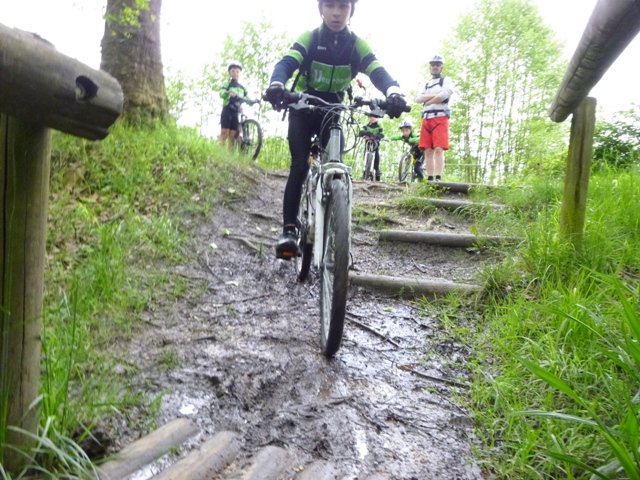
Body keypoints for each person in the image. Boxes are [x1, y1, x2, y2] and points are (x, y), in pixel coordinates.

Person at [263, 0, 408, 259]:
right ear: (321, 9)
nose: (337, 12)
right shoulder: (311, 37)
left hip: (332, 111)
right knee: (299, 165)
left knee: (336, 165)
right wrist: (277, 83)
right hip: (303, 107)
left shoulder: (356, 44)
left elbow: (376, 69)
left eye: (343, 6)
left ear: (352, 10)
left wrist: (393, 91)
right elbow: (287, 62)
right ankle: (288, 230)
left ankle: (336, 235)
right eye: (330, 5)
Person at [415, 54, 454, 181]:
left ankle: (438, 177)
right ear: (430, 67)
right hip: (427, 119)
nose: (435, 67)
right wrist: (435, 96)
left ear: (441, 67)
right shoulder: (426, 84)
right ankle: (430, 178)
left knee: (438, 148)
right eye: (432, 65)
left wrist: (428, 100)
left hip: (440, 118)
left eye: (437, 65)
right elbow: (418, 98)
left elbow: (445, 94)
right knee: (428, 150)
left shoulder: (446, 80)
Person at [219, 61, 259, 149]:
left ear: (239, 73)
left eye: (237, 71)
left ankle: (229, 157)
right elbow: (221, 93)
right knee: (224, 132)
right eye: (233, 71)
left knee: (232, 135)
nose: (235, 73)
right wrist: (228, 92)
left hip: (236, 112)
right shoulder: (227, 84)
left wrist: (255, 101)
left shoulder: (242, 88)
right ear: (229, 73)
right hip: (227, 109)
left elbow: (247, 99)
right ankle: (219, 152)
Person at [358, 112, 385, 181]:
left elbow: (382, 135)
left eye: (374, 117)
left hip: (375, 146)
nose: (372, 118)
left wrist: (376, 137)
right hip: (367, 145)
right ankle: (365, 174)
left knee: (376, 160)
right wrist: (366, 134)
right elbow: (361, 132)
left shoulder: (379, 126)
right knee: (365, 159)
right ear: (368, 118)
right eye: (370, 117)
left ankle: (377, 176)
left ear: (377, 118)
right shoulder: (366, 126)